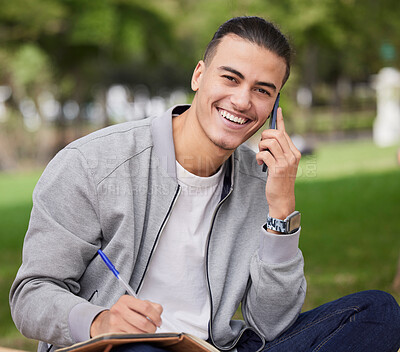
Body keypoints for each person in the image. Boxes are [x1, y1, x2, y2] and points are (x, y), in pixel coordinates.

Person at [10, 16, 400, 352]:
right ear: (199, 75)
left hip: (215, 346)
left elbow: (271, 325)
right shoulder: (92, 164)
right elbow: (31, 294)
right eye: (231, 78)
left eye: (263, 91)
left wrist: (281, 213)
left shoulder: (261, 182)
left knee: (378, 312)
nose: (243, 101)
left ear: (274, 109)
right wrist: (99, 321)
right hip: (120, 346)